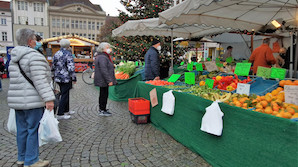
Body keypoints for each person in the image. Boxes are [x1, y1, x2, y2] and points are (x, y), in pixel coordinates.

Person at [7, 28, 55, 167]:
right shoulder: (34, 56)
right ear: (29, 41)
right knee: (33, 130)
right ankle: (32, 160)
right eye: (35, 39)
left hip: (18, 101)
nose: (37, 41)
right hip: (32, 100)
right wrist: (49, 99)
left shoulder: (14, 57)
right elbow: (40, 80)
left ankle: (22, 158)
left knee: (22, 130)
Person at [52, 39, 76, 120]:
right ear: (68, 45)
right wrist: (74, 78)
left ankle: (66, 110)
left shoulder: (56, 54)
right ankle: (60, 113)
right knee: (64, 95)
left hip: (58, 77)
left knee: (65, 93)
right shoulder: (68, 54)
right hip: (66, 77)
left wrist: (54, 75)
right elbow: (71, 67)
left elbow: (53, 66)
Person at [94, 42, 117, 116]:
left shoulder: (104, 56)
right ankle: (102, 110)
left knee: (104, 94)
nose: (109, 49)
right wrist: (109, 80)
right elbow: (104, 70)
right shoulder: (102, 57)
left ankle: (103, 108)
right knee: (103, 95)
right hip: (103, 80)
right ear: (102, 49)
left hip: (103, 79)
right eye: (107, 47)